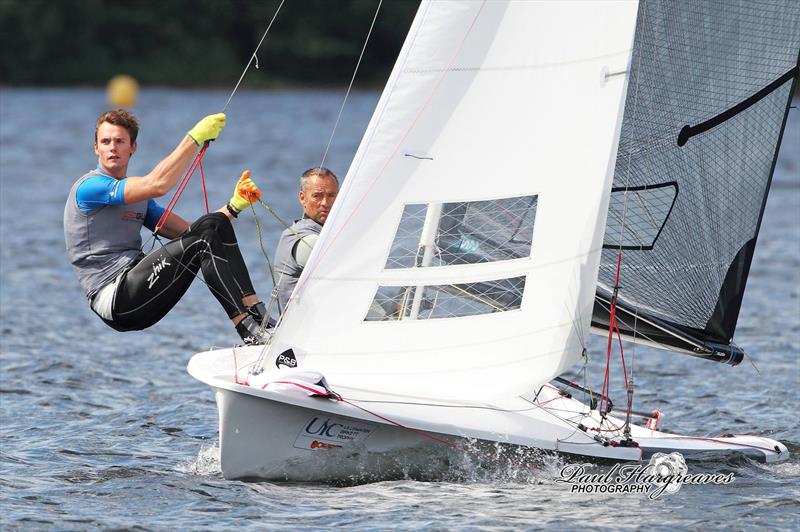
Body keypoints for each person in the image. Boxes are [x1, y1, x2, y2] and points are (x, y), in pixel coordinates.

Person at [64, 109, 272, 345]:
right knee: (205, 235)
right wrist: (193, 138)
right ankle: (247, 329)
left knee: (214, 225)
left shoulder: (140, 199)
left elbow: (194, 232)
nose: (112, 147)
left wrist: (233, 207)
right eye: (105, 141)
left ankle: (259, 316)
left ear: (133, 147)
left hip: (143, 296)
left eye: (120, 141)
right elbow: (158, 184)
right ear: (96, 148)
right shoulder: (89, 187)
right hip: (116, 299)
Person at [273, 167, 339, 311]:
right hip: (307, 328)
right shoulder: (297, 236)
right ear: (303, 198)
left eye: (331, 195)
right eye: (317, 196)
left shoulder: (330, 233)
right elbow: (336, 260)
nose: (325, 203)